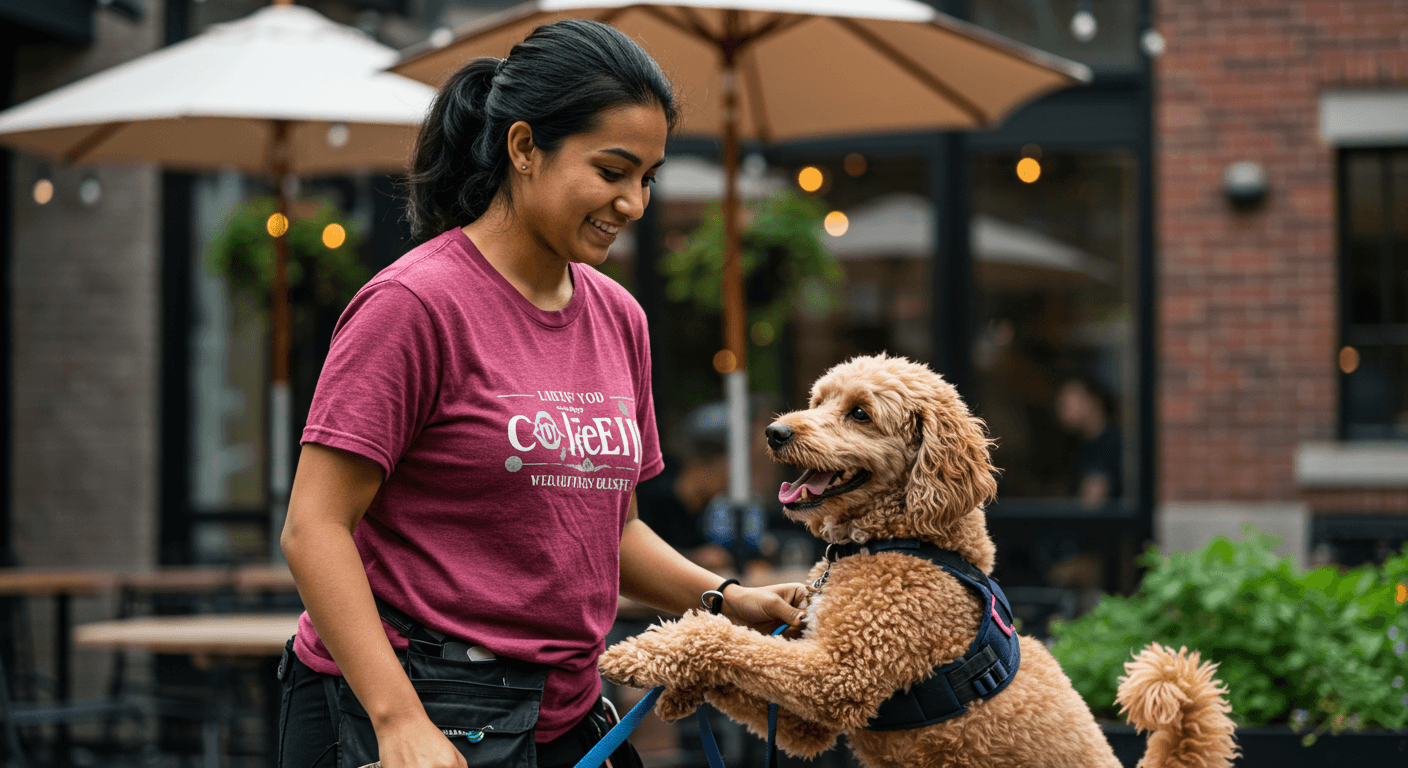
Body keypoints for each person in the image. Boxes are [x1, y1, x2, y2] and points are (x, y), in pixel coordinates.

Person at [277, 20, 807, 768]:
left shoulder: (618, 316)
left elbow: (607, 534)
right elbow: (313, 528)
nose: (634, 203)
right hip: (410, 707)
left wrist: (722, 596)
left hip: (565, 711)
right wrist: (399, 722)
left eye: (647, 177)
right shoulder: (414, 304)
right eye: (613, 170)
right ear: (524, 149)